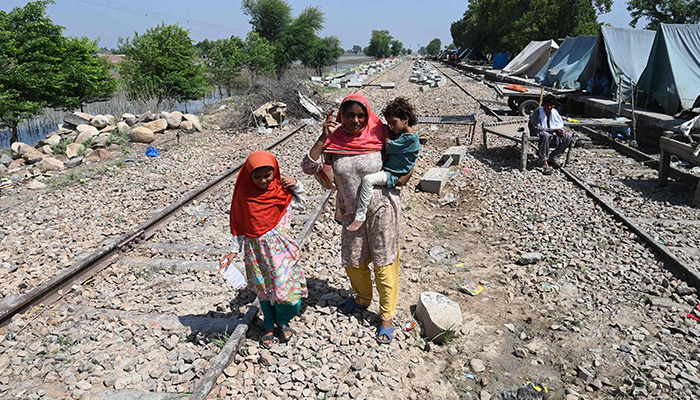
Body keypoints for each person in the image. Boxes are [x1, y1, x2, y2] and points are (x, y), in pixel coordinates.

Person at [301, 93, 412, 344]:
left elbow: (409, 148)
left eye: (361, 115)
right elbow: (308, 167)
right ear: (341, 116)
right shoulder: (334, 141)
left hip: (382, 208)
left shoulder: (379, 134)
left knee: (384, 263)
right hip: (350, 212)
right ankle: (363, 299)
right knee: (353, 261)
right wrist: (323, 137)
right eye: (350, 115)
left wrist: (406, 175)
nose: (356, 120)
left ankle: (386, 316)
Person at [220, 150, 308, 349]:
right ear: (248, 175)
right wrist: (234, 251)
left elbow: (302, 204)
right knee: (265, 291)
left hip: (282, 254)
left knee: (289, 295)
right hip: (256, 252)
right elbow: (240, 225)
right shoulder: (244, 195)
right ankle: (269, 325)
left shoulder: (282, 192)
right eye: (257, 176)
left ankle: (283, 319)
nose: (263, 181)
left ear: (275, 171)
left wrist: (297, 185)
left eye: (267, 175)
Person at [347, 97, 420, 231]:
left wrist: (386, 131)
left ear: (405, 119)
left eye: (394, 123)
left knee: (368, 180)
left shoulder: (410, 138)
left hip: (394, 174)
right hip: (392, 171)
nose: (391, 126)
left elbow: (389, 146)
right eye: (389, 124)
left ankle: (360, 215)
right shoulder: (403, 134)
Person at [528, 94, 572, 175]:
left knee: (568, 137)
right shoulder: (537, 113)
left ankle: (553, 157)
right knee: (545, 135)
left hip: (553, 134)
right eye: (547, 105)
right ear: (543, 104)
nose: (549, 107)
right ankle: (544, 161)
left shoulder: (555, 113)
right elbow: (538, 128)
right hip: (539, 134)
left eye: (551, 105)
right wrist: (553, 130)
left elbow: (559, 125)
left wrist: (560, 131)